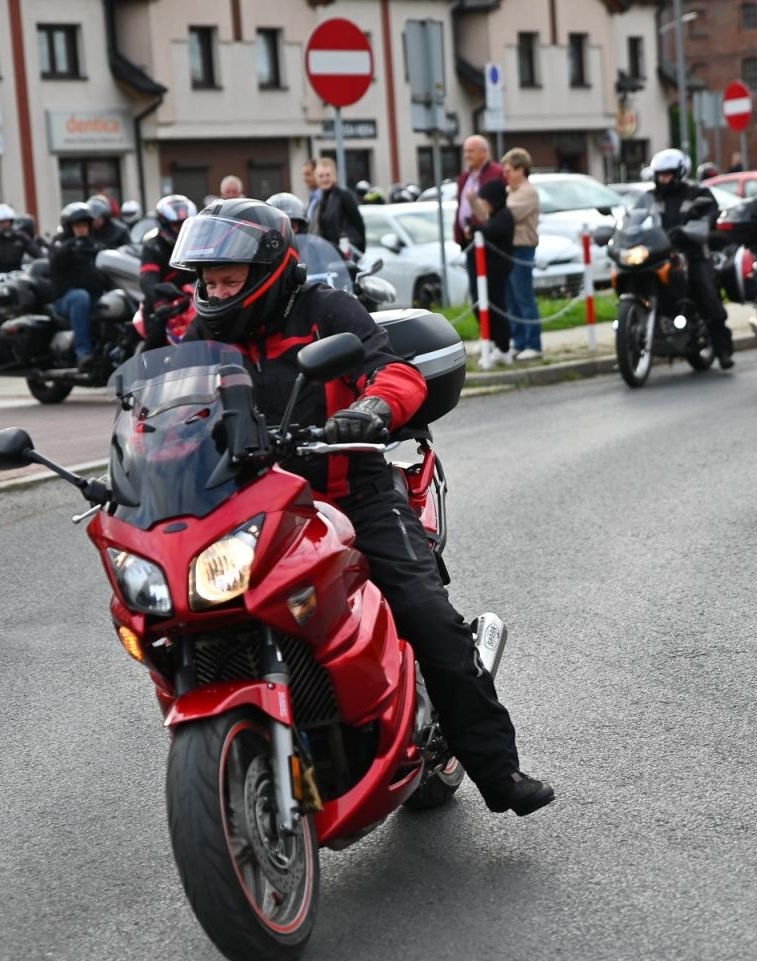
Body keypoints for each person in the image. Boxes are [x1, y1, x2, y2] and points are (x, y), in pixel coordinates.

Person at [169, 198, 554, 816]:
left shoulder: (326, 311)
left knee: (425, 615)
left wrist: (373, 408)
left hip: (352, 496)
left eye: (228, 279)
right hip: (259, 511)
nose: (215, 291)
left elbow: (394, 372)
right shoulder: (205, 332)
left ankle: (496, 770)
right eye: (207, 280)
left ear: (268, 268)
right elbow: (168, 408)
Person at [648, 147, 736, 371]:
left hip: (692, 253)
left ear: (679, 173)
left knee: (706, 295)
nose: (663, 179)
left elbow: (711, 214)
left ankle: (723, 349)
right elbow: (633, 216)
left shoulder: (697, 193)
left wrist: (692, 229)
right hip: (658, 253)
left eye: (667, 174)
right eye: (660, 175)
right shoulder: (650, 197)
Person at [49, 201, 107, 368]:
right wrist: (71, 246)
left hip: (95, 295)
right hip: (65, 300)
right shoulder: (60, 245)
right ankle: (83, 352)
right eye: (77, 225)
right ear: (70, 227)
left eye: (84, 225)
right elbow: (55, 260)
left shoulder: (95, 245)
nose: (81, 229)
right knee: (80, 297)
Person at [466, 177, 514, 369]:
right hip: (489, 270)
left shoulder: (504, 216)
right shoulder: (495, 215)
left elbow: (492, 231)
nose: (483, 206)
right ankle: (494, 342)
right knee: (485, 306)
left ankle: (503, 348)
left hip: (498, 270)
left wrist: (476, 227)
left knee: (497, 308)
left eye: (485, 202)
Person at [501, 148, 543, 360]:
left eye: (509, 170)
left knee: (524, 297)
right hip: (509, 249)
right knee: (511, 298)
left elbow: (507, 215)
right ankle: (518, 341)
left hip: (522, 248)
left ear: (521, 170)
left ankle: (533, 344)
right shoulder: (511, 191)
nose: (505, 174)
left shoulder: (527, 192)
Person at [138, 194, 197, 345]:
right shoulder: (153, 246)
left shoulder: (200, 243)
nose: (181, 230)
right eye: (177, 225)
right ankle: (145, 367)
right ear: (164, 224)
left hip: (197, 301)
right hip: (167, 303)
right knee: (156, 337)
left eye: (185, 224)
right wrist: (159, 302)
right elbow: (148, 278)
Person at [453, 135, 503, 249]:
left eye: (471, 151)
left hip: (489, 241)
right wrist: (458, 235)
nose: (467, 155)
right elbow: (460, 205)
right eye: (465, 151)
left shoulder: (497, 173)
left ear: (483, 152)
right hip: (468, 240)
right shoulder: (464, 177)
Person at [311, 156, 365, 253]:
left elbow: (358, 223)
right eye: (321, 176)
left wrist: (359, 249)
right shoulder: (319, 199)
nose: (324, 179)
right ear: (316, 178)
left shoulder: (344, 195)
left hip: (344, 254)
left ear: (334, 176)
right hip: (327, 254)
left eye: (328, 175)